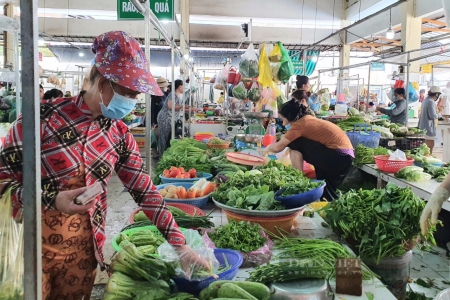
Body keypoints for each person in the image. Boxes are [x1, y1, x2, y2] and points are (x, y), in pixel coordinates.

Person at [0, 31, 209, 299]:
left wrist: (180, 246)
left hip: (84, 253)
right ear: (102, 83)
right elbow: (3, 182)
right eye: (127, 91)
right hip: (28, 249)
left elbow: (145, 192)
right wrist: (52, 200)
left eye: (137, 94)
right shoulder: (39, 120)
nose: (133, 100)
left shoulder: (119, 135)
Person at [267, 91, 354, 201]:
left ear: (290, 116)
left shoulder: (299, 125)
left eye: (284, 119)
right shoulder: (307, 119)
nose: (283, 124)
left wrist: (266, 148)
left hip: (338, 157)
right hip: (344, 157)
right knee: (326, 193)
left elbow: (277, 147)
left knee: (295, 142)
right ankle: (327, 200)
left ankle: (297, 179)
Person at [157, 79, 198, 155]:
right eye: (183, 86)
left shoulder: (177, 96)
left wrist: (190, 109)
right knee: (165, 137)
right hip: (166, 118)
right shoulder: (173, 94)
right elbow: (170, 106)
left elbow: (178, 107)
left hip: (171, 118)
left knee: (169, 137)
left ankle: (166, 153)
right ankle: (162, 155)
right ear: (180, 87)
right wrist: (183, 106)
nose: (184, 88)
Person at [418, 86, 441, 154]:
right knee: (429, 147)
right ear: (436, 94)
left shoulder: (425, 100)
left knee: (425, 147)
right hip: (428, 127)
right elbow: (432, 116)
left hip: (423, 126)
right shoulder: (431, 101)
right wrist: (439, 115)